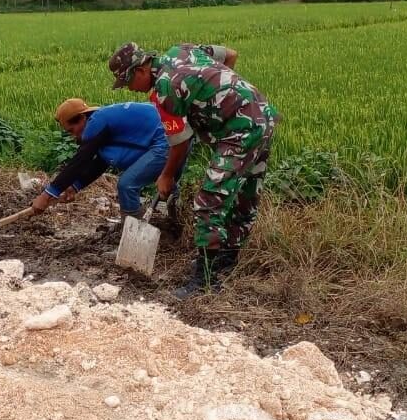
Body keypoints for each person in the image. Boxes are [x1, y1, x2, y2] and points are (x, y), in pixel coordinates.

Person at [108, 42, 278, 299]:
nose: (130, 89)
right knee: (245, 194)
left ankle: (204, 281)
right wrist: (214, 100)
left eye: (129, 82)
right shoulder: (182, 51)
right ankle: (227, 260)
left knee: (209, 201)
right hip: (262, 117)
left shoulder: (164, 92)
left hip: (239, 132)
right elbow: (230, 55)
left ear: (140, 70)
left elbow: (179, 143)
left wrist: (165, 176)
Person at [30, 98, 184, 224]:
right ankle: (177, 224)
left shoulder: (96, 123)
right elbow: (101, 162)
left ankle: (132, 232)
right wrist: (75, 186)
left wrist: (47, 194)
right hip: (179, 139)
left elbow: (80, 160)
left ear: (83, 118)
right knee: (168, 188)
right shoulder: (105, 122)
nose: (73, 136)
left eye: (72, 130)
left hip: (168, 141)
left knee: (127, 185)